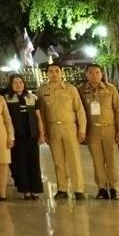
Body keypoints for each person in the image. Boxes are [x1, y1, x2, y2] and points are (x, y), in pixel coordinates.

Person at [37, 62, 87, 200]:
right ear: (47, 74)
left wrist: (82, 130)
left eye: (56, 71)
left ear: (61, 72)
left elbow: (79, 110)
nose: (54, 74)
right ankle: (62, 189)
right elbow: (41, 113)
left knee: (74, 160)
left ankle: (78, 189)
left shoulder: (70, 89)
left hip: (69, 127)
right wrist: (44, 131)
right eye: (51, 71)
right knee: (58, 160)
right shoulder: (42, 90)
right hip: (53, 128)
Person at [78, 63, 119, 200]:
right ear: (86, 74)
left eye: (97, 72)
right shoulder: (81, 90)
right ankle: (102, 188)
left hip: (110, 128)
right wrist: (81, 130)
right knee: (97, 160)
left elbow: (118, 110)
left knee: (111, 160)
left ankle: (113, 187)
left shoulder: (110, 89)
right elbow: (79, 111)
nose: (94, 75)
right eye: (91, 73)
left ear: (101, 74)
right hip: (92, 130)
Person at [3, 73, 45, 200]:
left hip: (32, 136)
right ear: (11, 85)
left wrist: (41, 133)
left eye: (20, 82)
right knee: (20, 163)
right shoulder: (6, 99)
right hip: (17, 137)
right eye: (15, 83)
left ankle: (35, 189)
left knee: (34, 163)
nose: (18, 85)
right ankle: (25, 190)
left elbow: (38, 117)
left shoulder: (32, 98)